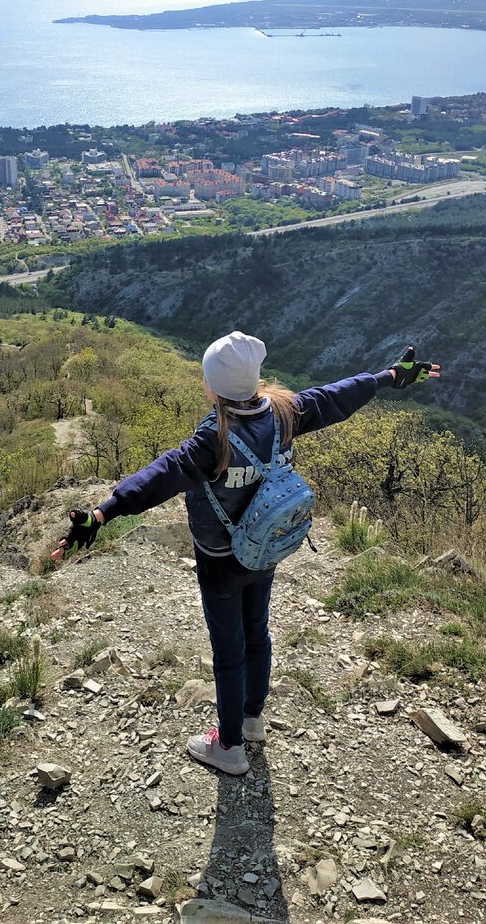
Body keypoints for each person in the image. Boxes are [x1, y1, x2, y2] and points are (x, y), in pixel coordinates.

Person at [52, 332, 439, 776]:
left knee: (228, 649)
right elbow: (337, 397)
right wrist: (388, 377)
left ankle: (230, 745)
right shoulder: (283, 413)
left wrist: (104, 513)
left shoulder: (212, 438)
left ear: (213, 385)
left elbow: (162, 475)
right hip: (266, 547)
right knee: (257, 633)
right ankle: (253, 719)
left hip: (219, 559)